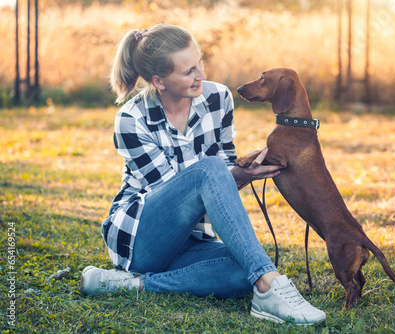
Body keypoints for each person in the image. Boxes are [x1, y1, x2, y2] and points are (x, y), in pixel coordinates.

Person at [80, 24, 326, 325]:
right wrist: (230, 174)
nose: (202, 75)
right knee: (208, 171)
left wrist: (244, 172)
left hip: (194, 239)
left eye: (200, 63)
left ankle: (131, 285)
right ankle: (268, 284)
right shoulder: (131, 119)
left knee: (243, 269)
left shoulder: (218, 98)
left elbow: (222, 165)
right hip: (143, 238)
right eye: (188, 72)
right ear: (159, 81)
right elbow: (177, 189)